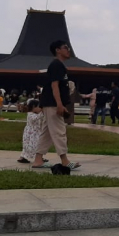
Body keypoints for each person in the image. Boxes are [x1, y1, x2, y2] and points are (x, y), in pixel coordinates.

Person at [33, 40, 80, 171]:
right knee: (59, 132)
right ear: (58, 50)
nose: (68, 50)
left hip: (50, 103)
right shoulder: (56, 65)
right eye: (65, 47)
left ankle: (38, 160)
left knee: (47, 133)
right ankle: (65, 161)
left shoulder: (59, 66)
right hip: (53, 104)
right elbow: (54, 86)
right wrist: (59, 104)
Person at [18, 99, 44, 164]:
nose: (40, 109)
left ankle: (24, 157)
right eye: (38, 107)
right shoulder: (30, 114)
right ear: (33, 107)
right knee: (32, 145)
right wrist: (42, 112)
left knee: (36, 145)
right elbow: (35, 118)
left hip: (36, 132)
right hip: (31, 133)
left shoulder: (34, 114)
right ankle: (37, 157)